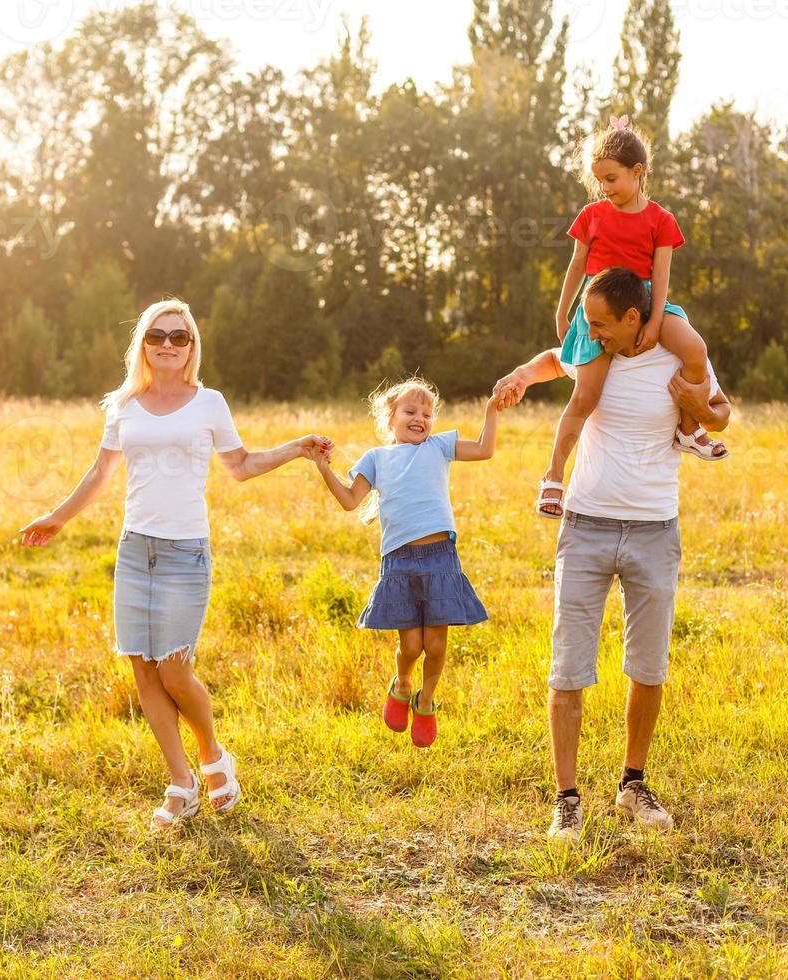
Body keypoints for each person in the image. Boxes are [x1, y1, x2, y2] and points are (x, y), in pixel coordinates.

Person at [19, 298, 330, 830]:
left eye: (179, 337)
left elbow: (240, 465)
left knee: (174, 670)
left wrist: (298, 448)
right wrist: (58, 517)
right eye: (157, 335)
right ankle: (181, 782)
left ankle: (213, 756)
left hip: (186, 551)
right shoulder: (123, 405)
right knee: (142, 668)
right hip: (136, 549)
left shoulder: (209, 402)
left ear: (191, 347)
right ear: (143, 343)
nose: (167, 344)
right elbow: (100, 473)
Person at [494, 267, 733, 843]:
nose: (591, 333)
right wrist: (520, 377)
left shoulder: (676, 352)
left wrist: (694, 403)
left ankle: (633, 784)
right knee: (569, 666)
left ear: (635, 319)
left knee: (647, 668)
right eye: (588, 324)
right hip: (587, 527)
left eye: (602, 324)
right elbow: (555, 358)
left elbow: (722, 413)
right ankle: (567, 800)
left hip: (655, 529)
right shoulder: (594, 351)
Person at [539, 116, 727, 520]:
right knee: (584, 397)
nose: (605, 189)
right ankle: (554, 477)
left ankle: (688, 426)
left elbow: (660, 278)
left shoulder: (661, 220)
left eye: (612, 179)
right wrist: (562, 308)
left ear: (637, 172)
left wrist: (656, 321)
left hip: (643, 304)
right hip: (601, 308)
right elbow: (576, 266)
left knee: (695, 348)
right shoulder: (592, 216)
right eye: (600, 182)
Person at [307, 378, 500, 748]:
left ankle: (425, 700)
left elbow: (484, 449)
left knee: (437, 645)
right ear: (390, 419)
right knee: (411, 646)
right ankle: (403, 683)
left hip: (440, 558)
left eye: (427, 413)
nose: (420, 419)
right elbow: (350, 501)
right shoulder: (377, 458)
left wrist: (491, 410)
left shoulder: (438, 447)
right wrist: (323, 468)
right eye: (410, 411)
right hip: (400, 561)